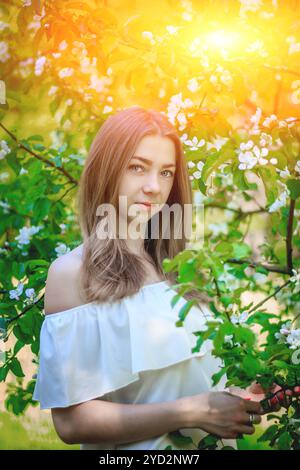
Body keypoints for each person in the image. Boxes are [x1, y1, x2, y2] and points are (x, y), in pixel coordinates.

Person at [32, 106, 265, 450]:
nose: (154, 187)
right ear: (106, 170)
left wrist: (240, 397)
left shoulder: (181, 270)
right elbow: (71, 421)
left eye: (167, 172)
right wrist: (192, 412)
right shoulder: (72, 274)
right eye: (137, 167)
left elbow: (187, 382)